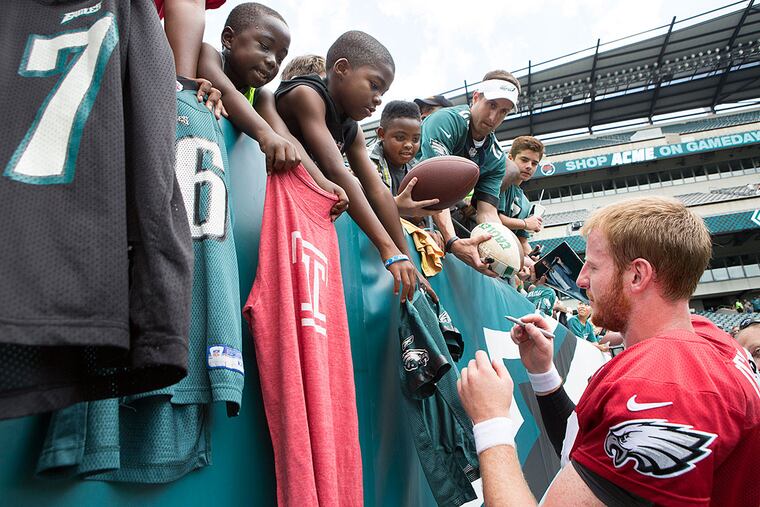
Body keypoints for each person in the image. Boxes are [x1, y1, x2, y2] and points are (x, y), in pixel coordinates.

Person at [457, 196, 760, 506]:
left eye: (594, 266)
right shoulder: (710, 338)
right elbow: (597, 453)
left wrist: (491, 421)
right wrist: (543, 373)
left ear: (637, 276)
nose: (580, 279)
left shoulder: (662, 387)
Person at [274, 31, 435, 303]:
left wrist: (406, 257)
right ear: (342, 69)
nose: (378, 99)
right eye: (374, 85)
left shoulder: (352, 129)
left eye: (383, 92)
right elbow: (336, 170)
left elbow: (379, 192)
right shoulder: (306, 94)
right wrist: (388, 250)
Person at [196, 3, 348, 219]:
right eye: (265, 47)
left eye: (280, 58)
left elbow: (282, 135)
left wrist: (321, 182)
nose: (271, 62)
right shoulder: (207, 54)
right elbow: (228, 93)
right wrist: (265, 135)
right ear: (228, 39)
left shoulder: (261, 95)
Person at [418, 70, 522, 277]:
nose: (494, 117)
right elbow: (436, 184)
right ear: (476, 97)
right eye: (491, 105)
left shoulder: (495, 157)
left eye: (503, 111)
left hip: (437, 209)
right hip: (402, 195)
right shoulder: (446, 120)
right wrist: (452, 240)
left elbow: (488, 213)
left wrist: (509, 255)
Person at [369, 100, 441, 217]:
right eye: (400, 137)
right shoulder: (368, 163)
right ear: (381, 134)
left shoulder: (416, 169)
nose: (409, 145)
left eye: (415, 139)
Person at [498, 136, 544, 257]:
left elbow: (522, 240)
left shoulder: (525, 202)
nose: (529, 166)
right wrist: (525, 223)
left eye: (534, 163)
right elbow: (492, 218)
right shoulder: (499, 182)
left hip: (505, 255)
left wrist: (531, 256)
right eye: (524, 160)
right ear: (510, 158)